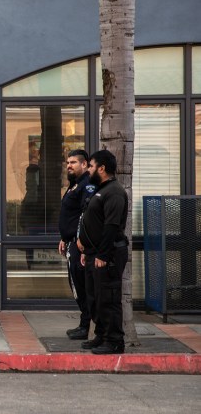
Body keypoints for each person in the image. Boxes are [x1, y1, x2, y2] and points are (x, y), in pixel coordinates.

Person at [76, 150, 129, 354]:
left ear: (102, 168)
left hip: (108, 255)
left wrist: (102, 255)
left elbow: (111, 227)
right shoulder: (102, 189)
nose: (88, 169)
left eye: (90, 165)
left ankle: (114, 341)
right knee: (95, 297)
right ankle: (100, 335)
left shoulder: (114, 192)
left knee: (108, 297)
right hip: (92, 253)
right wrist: (85, 247)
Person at [57, 150, 95, 341]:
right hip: (71, 242)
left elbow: (85, 216)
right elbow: (71, 216)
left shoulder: (86, 185)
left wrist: (81, 243)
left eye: (73, 162)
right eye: (68, 162)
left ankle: (85, 326)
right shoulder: (75, 185)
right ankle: (83, 324)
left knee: (81, 287)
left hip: (79, 246)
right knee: (76, 286)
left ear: (85, 164)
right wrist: (65, 237)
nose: (69, 165)